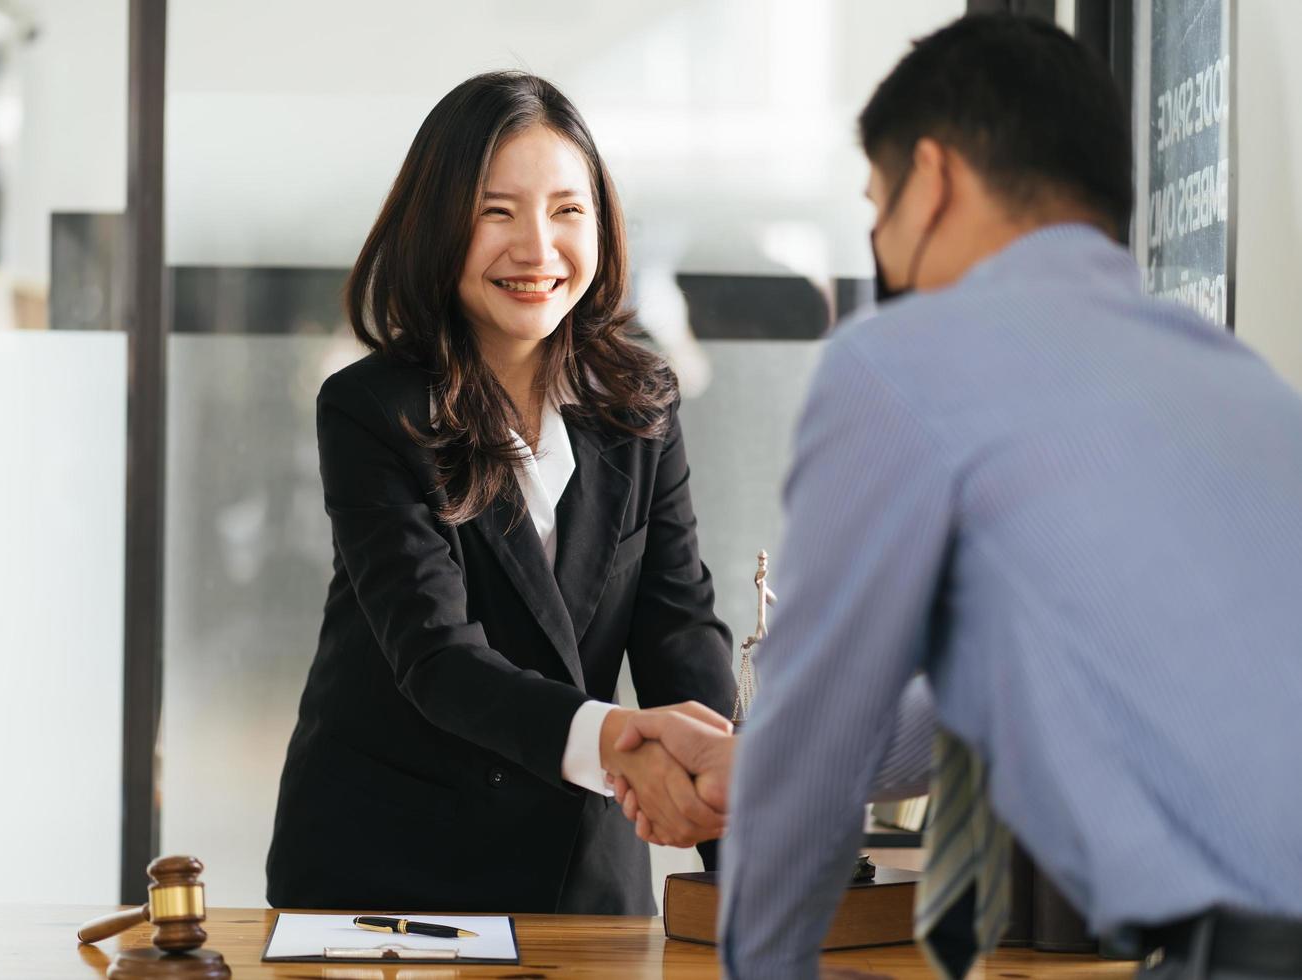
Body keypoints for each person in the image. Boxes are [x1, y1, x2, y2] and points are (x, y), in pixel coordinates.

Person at [609, 14, 1302, 979]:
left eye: (876, 208)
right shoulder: (1242, 386)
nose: (883, 254)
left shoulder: (903, 364)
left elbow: (822, 740)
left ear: (931, 180)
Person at [265, 70, 736, 916]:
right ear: (437, 225)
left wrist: (740, 834)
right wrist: (621, 741)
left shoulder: (642, 404)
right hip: (390, 872)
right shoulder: (371, 408)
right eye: (496, 211)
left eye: (566, 209)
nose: (537, 248)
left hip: (578, 869)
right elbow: (438, 657)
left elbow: (678, 629)